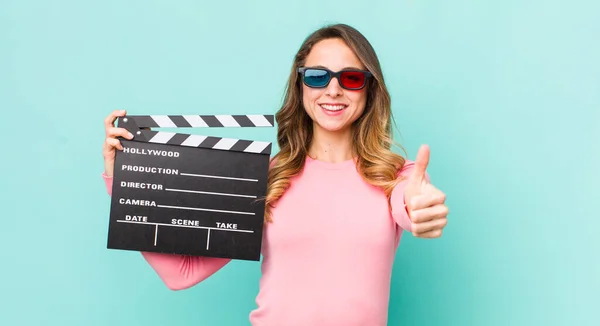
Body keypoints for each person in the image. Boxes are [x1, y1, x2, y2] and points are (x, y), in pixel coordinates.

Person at [101, 23, 448, 326]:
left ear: (369, 89)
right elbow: (181, 273)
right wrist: (123, 185)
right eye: (317, 76)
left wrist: (419, 208)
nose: (333, 90)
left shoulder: (395, 177)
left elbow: (411, 202)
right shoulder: (264, 180)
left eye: (351, 78)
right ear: (300, 86)